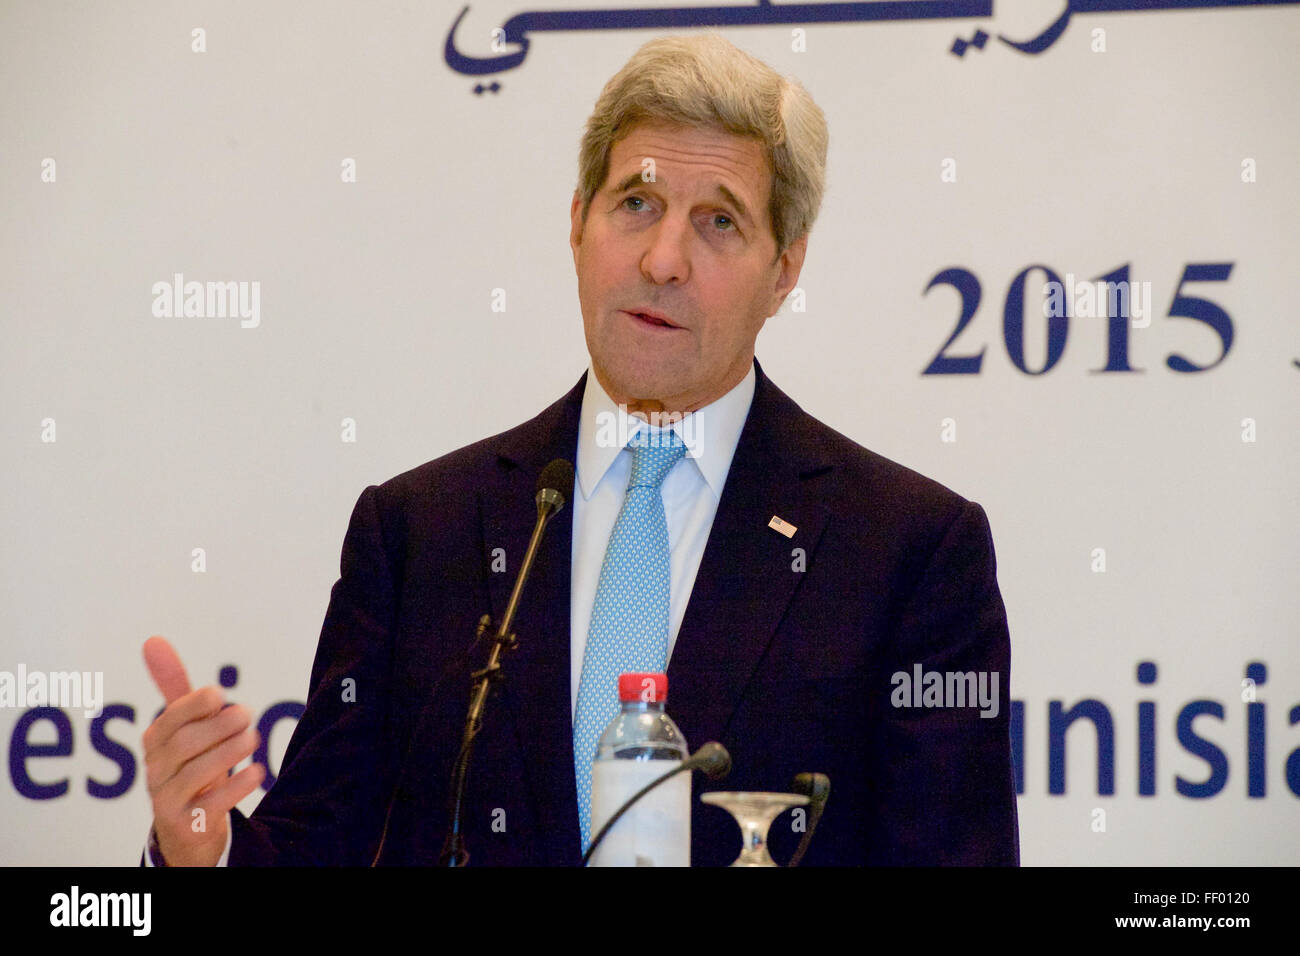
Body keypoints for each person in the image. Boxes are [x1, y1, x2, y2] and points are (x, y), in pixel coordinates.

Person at [141, 33, 1018, 866]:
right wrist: (200, 848)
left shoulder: (907, 554)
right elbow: (320, 849)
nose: (664, 259)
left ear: (784, 270)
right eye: (636, 204)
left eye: (718, 222)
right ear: (577, 223)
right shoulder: (419, 536)